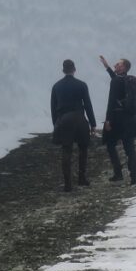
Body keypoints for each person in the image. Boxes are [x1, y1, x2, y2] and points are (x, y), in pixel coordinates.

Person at [98, 55, 136, 186]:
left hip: (116, 118)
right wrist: (107, 67)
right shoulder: (127, 80)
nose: (115, 65)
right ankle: (134, 177)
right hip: (128, 118)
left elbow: (111, 101)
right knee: (129, 147)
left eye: (118, 64)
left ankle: (118, 173)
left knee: (111, 145)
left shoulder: (116, 81)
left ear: (124, 67)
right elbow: (116, 80)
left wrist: (108, 120)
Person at [51, 59, 97, 192]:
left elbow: (53, 108)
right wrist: (93, 123)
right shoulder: (81, 85)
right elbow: (88, 105)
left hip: (64, 119)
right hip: (80, 119)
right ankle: (82, 178)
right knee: (83, 148)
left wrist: (56, 123)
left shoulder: (56, 86)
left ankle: (68, 184)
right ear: (74, 70)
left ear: (63, 70)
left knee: (66, 150)